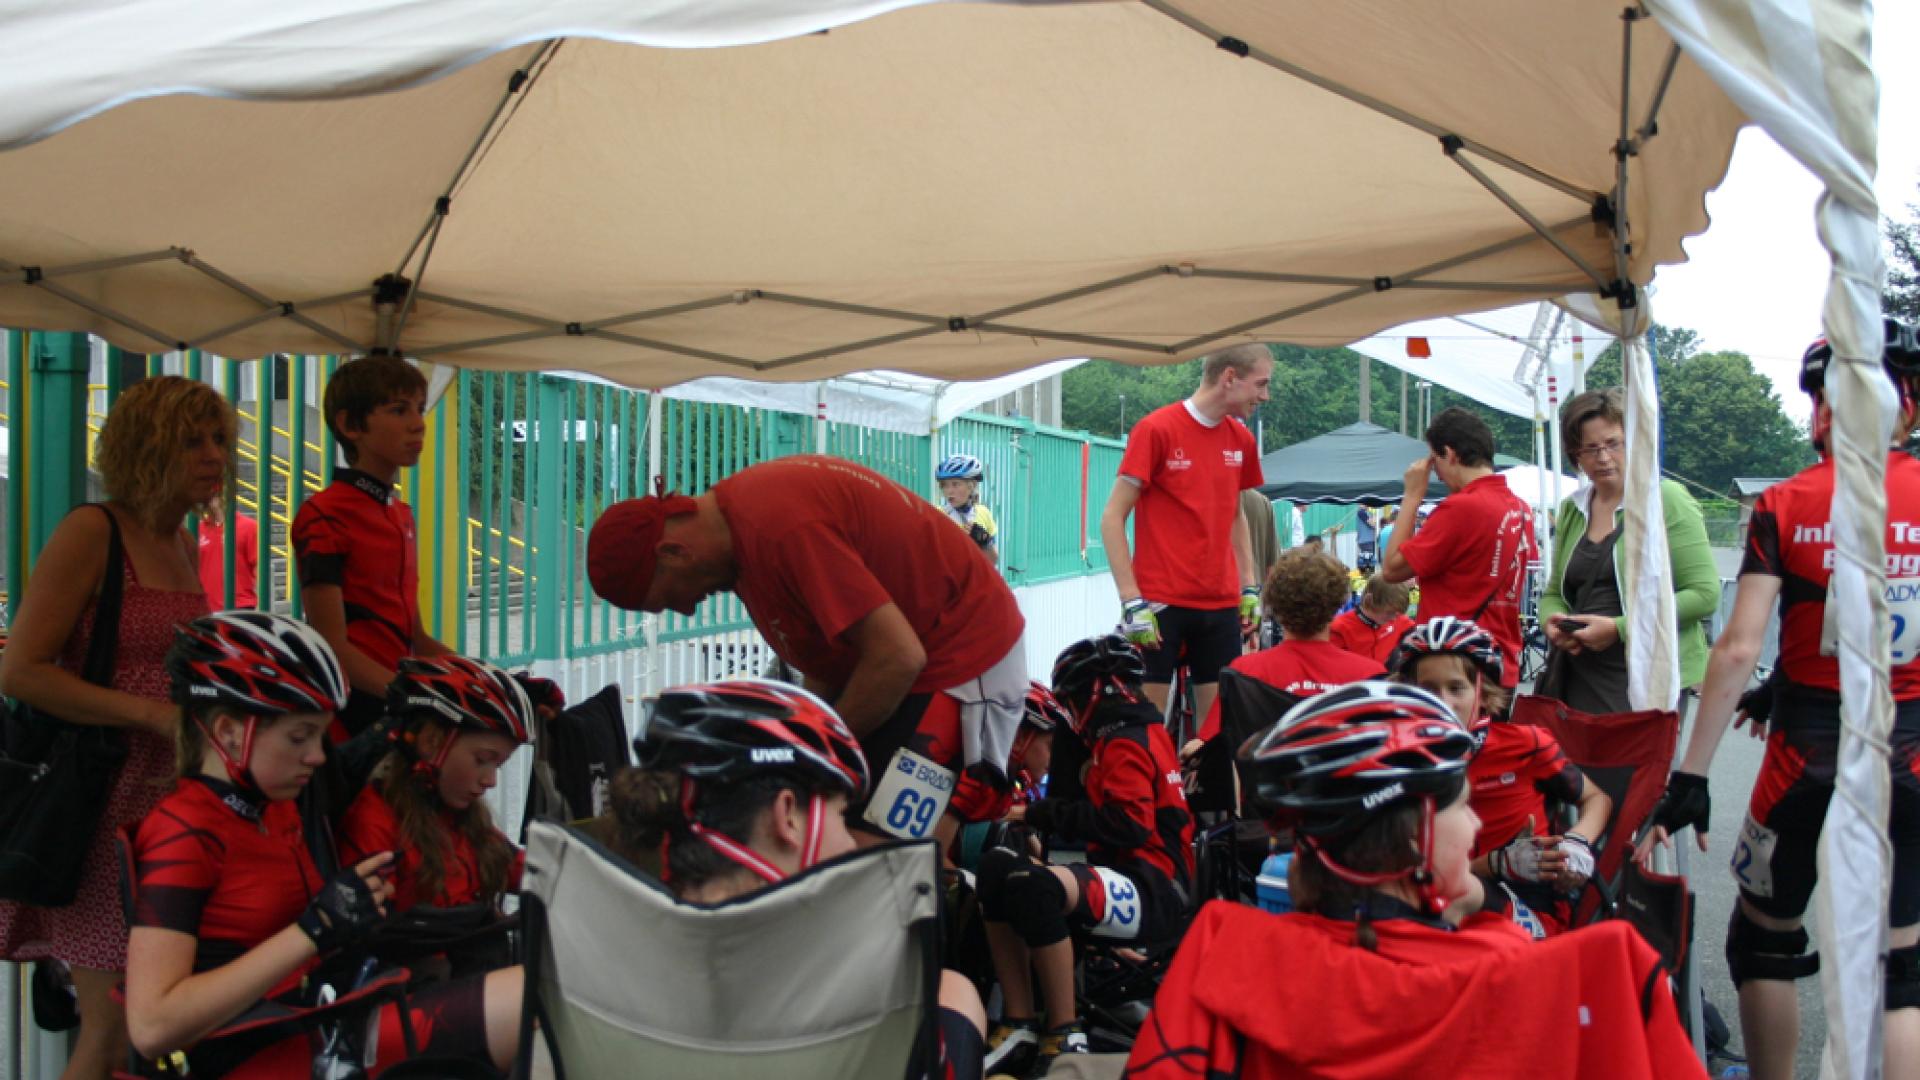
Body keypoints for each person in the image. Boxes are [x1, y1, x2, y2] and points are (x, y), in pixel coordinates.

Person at [1124, 682, 1703, 1079]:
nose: (1476, 825)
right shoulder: (1587, 975)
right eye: (1464, 806)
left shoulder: (1225, 955)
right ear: (1418, 834)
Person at [1638, 322, 1920, 1080]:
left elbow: (1737, 645)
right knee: (1900, 970)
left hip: (1808, 752)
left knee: (1764, 942)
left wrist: (1693, 775)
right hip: (1910, 748)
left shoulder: (1788, 502)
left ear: (1822, 410)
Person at [123, 611, 521, 1077]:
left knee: (540, 998)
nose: (316, 756)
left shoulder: (275, 808)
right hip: (263, 1054)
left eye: (320, 736)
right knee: (527, 1000)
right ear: (229, 732)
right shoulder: (183, 832)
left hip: (321, 1023)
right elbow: (152, 1026)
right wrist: (311, 931)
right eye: (300, 737)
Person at [585, 456, 1027, 850]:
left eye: (668, 599)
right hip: (910, 655)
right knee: (817, 826)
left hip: (964, 656)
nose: (686, 609)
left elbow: (897, 659)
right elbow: (827, 665)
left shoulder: (780, 528)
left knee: (876, 858)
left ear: (674, 552)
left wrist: (799, 753)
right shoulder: (742, 544)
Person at [0, 375, 229, 1080]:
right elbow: (21, 670)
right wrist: (151, 714)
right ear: (145, 448)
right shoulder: (93, 532)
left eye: (218, 439)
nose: (214, 455)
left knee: (147, 1024)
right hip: (100, 804)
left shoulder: (181, 540)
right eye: (191, 441)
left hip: (164, 800)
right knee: (112, 1028)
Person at [607, 679, 985, 1080]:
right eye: (840, 815)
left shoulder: (597, 969)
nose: (849, 843)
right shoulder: (868, 992)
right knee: (954, 991)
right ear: (787, 815)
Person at [978, 635, 1194, 1077]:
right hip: (1137, 879)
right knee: (996, 868)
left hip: (1155, 888)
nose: (1072, 714)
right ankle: (1019, 1022)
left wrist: (1041, 813)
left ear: (1099, 694)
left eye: (1074, 701)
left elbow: (1129, 825)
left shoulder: (1126, 741)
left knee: (1033, 886)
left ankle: (1063, 1031)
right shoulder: (1136, 734)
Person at [1389, 617, 1611, 938]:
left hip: (1522, 909)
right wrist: (1493, 863)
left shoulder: (1526, 745)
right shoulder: (1398, 760)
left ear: (1482, 693)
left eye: (1456, 688)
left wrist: (1577, 843)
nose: (1443, 702)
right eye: (1428, 689)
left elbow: (1597, 799)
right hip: (1435, 901)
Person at [1099, 343, 1270, 724]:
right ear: (1229, 377)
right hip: (1161, 603)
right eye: (1261, 384)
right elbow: (1112, 517)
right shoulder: (1156, 429)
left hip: (1221, 603)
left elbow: (1235, 515)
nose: (1265, 396)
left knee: (1215, 733)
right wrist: (1131, 600)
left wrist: (1249, 586)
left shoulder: (1241, 439)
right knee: (1147, 729)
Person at [291, 354, 455, 739]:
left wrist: (489, 678)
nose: (418, 423)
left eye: (419, 408)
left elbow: (416, 638)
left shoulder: (401, 514)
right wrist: (411, 694)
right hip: (351, 720)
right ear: (350, 425)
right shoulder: (324, 515)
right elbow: (331, 645)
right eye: (399, 410)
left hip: (397, 710)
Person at [1538, 387, 1718, 714]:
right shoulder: (1572, 509)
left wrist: (1619, 628)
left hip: (1647, 680)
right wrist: (1551, 621)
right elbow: (1554, 592)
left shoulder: (1666, 499)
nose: (1603, 458)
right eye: (1590, 448)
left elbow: (1704, 594)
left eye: (1613, 444)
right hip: (1578, 676)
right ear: (1575, 454)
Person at [339, 656, 533, 915]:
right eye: (482, 760)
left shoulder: (464, 820)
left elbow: (526, 871)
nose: (491, 781)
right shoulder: (375, 823)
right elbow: (370, 928)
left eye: (498, 765)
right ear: (430, 742)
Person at [1380, 406, 1535, 693]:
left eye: (1435, 461)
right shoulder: (1521, 509)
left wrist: (1412, 495)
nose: (1437, 475)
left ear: (1450, 455)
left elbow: (1391, 568)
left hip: (1455, 667)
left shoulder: (1461, 507)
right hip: (1500, 661)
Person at [1195, 547, 1387, 744]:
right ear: (1338, 603)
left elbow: (1206, 744)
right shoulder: (1371, 676)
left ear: (1274, 603)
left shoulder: (1245, 673)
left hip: (1267, 763)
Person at [1328, 575, 1416, 665]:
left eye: (1397, 614)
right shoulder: (1339, 629)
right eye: (1389, 613)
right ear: (1369, 601)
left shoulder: (1399, 619)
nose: (1393, 619)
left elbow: (1415, 632)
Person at [195, 496, 259, 610]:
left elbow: (259, 566)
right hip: (206, 608)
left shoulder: (249, 526)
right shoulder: (198, 530)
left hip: (239, 606)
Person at [936, 453, 998, 565]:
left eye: (955, 484)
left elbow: (993, 561)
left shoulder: (983, 513)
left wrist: (985, 542)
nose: (949, 491)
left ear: (972, 486)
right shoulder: (937, 515)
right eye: (945, 485)